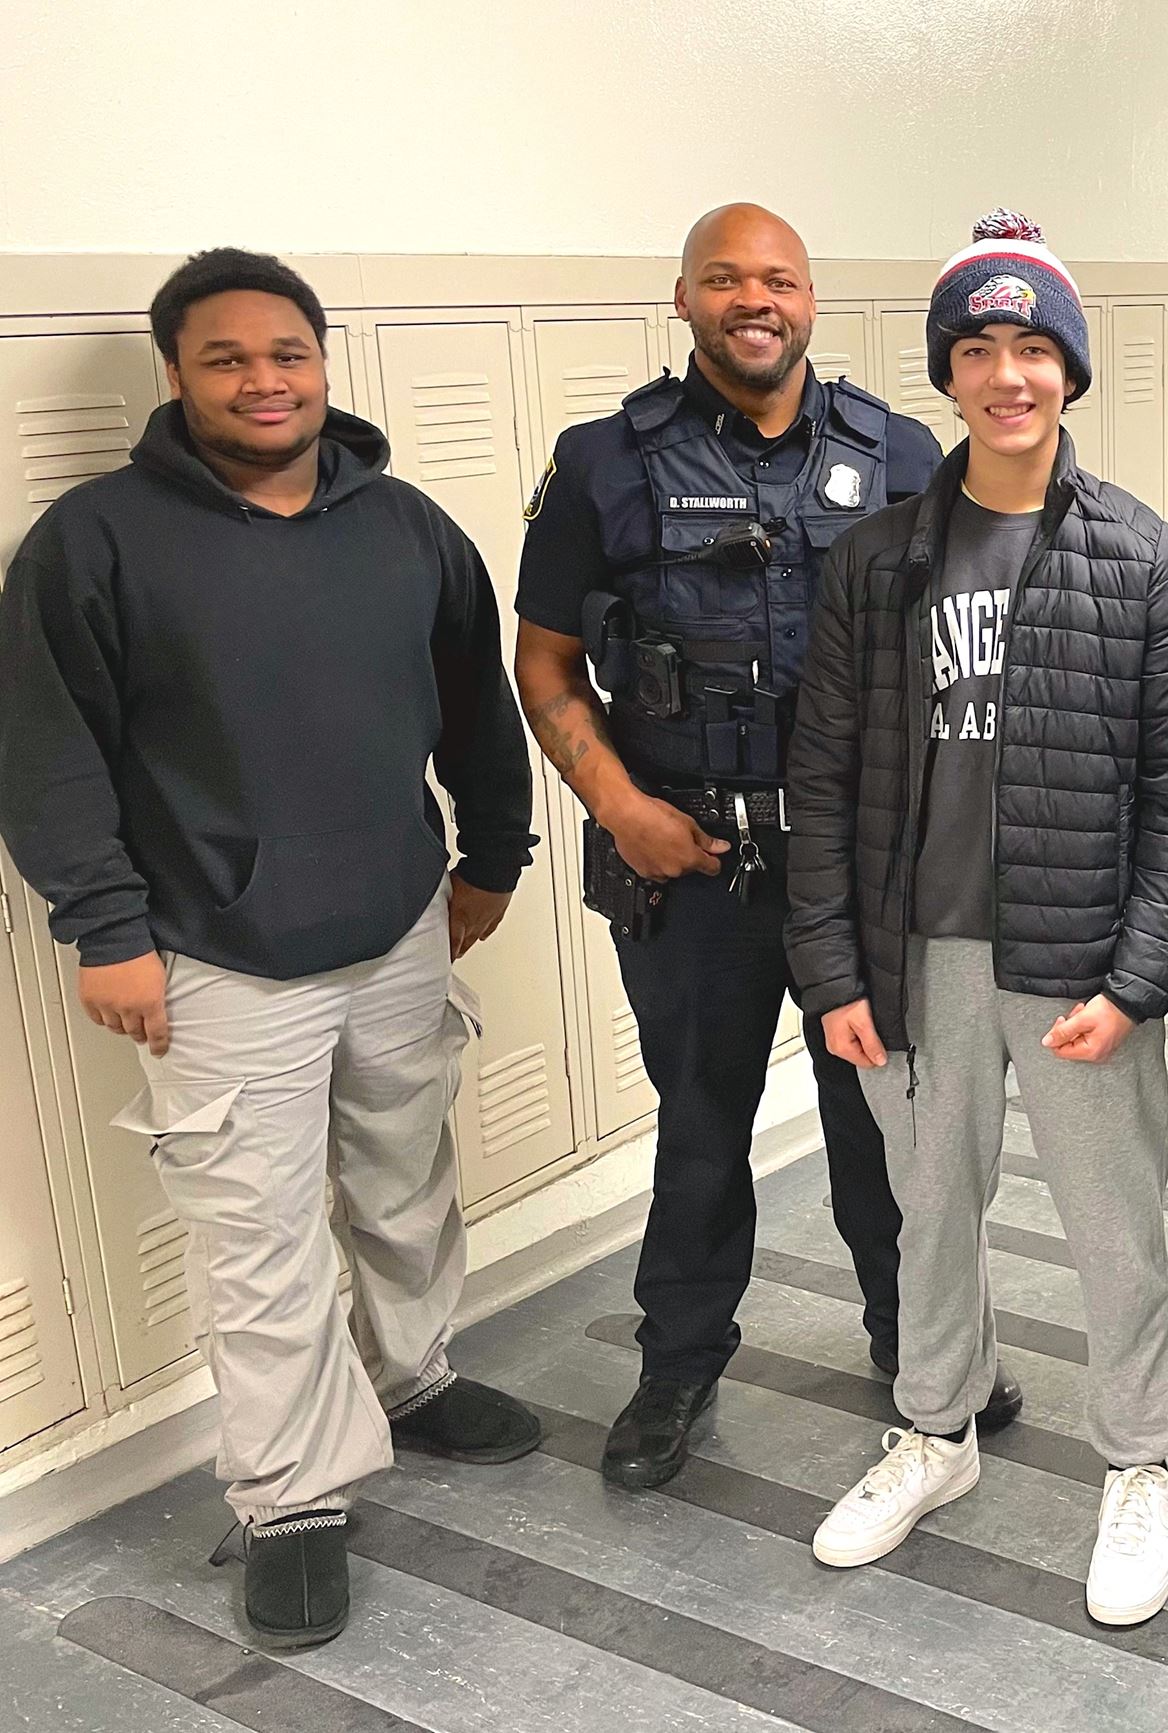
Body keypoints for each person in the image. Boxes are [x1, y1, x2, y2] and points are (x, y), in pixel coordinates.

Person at [0, 249, 541, 1648]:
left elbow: (476, 704)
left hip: (398, 930)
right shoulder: (98, 540)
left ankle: (413, 1377)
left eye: (285, 353)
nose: (263, 380)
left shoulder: (407, 527)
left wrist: (491, 856)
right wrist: (105, 926)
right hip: (216, 955)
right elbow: (48, 755)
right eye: (228, 358)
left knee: (406, 1170)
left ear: (322, 361)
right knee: (258, 1237)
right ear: (175, 374)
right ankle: (294, 1494)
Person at [511, 205, 1005, 1494]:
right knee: (700, 1126)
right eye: (724, 277)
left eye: (776, 278)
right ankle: (677, 1360)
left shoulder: (898, 451)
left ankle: (924, 1348)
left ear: (811, 300)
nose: (753, 298)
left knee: (887, 1127)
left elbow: (960, 644)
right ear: (681, 299)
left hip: (861, 872)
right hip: (693, 865)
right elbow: (547, 662)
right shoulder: (604, 463)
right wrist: (617, 803)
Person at [785, 211, 1168, 1629]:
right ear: (948, 374)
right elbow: (826, 775)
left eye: (1035, 347)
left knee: (1115, 1228)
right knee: (930, 1219)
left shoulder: (1139, 559)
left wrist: (1144, 978)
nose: (1008, 374)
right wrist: (835, 968)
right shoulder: (877, 562)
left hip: (1076, 955)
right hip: (920, 961)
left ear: (1071, 373)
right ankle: (935, 1432)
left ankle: (1138, 1459)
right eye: (978, 348)